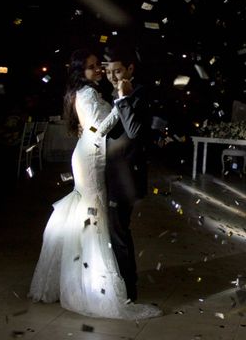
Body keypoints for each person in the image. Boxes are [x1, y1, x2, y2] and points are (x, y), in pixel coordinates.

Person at [28, 48, 161, 320]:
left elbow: (95, 126)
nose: (98, 70)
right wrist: (121, 100)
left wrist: (117, 101)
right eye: (91, 67)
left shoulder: (90, 92)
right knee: (95, 215)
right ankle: (96, 282)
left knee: (95, 216)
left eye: (97, 65)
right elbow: (100, 127)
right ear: (81, 72)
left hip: (92, 153)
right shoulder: (88, 93)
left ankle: (90, 277)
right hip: (91, 158)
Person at [102, 43, 149, 303]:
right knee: (115, 231)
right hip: (112, 173)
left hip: (125, 177)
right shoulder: (113, 90)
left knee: (119, 232)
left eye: (117, 71)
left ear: (130, 68)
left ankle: (128, 290)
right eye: (108, 71)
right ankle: (120, 281)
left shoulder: (139, 93)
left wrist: (123, 98)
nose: (112, 77)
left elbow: (135, 133)